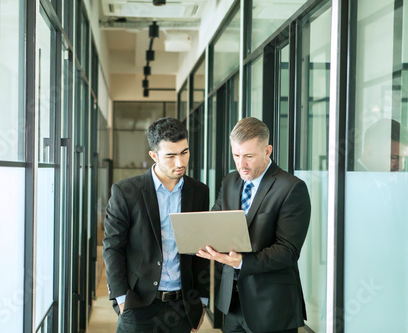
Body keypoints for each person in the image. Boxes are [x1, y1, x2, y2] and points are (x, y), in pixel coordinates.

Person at [197, 117, 311, 333]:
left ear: (267, 151)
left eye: (249, 156)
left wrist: (241, 262)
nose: (241, 164)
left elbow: (288, 251)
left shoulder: (291, 188)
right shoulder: (230, 181)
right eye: (236, 155)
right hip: (232, 303)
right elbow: (216, 222)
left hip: (271, 306)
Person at [103, 117, 210, 333]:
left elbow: (201, 249)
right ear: (154, 155)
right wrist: (122, 299)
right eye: (170, 156)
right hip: (138, 303)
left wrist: (202, 300)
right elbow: (113, 248)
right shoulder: (126, 192)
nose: (180, 163)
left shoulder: (199, 192)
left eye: (184, 152)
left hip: (181, 306)